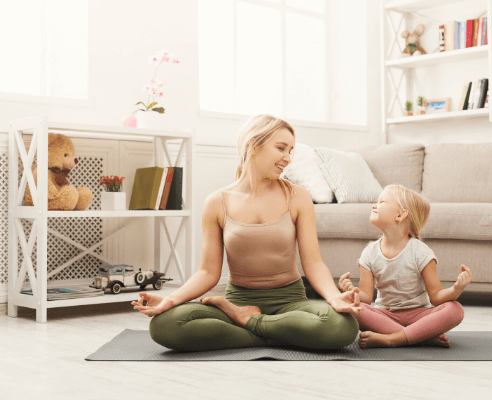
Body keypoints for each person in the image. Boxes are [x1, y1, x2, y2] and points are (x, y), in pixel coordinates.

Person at [132, 114, 361, 352]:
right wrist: (170, 300)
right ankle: (279, 332)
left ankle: (250, 324)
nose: (288, 158)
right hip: (237, 302)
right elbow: (208, 271)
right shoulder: (216, 202)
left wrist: (334, 298)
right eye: (281, 148)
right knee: (165, 326)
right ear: (253, 145)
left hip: (291, 304)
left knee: (342, 327)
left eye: (291, 150)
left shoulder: (298, 196)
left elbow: (313, 263)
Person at [338, 185, 472, 348]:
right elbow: (365, 299)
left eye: (382, 201)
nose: (374, 205)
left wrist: (456, 289)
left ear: (401, 215)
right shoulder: (369, 253)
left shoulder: (420, 251)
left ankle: (393, 339)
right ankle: (420, 336)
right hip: (385, 315)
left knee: (455, 310)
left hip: (419, 315)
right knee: (352, 309)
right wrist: (352, 293)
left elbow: (436, 297)